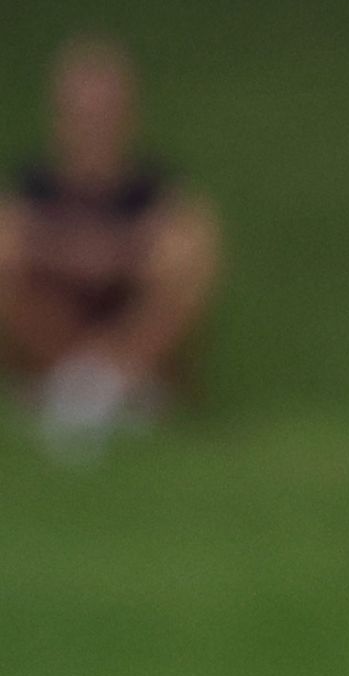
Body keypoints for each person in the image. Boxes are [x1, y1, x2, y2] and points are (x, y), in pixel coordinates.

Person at [0, 36, 221, 460]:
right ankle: (76, 387)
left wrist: (113, 255)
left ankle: (107, 387)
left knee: (185, 264)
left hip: (129, 327)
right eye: (82, 112)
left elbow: (185, 247)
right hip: (56, 328)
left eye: (104, 111)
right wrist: (77, 254)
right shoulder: (35, 186)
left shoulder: (152, 187)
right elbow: (14, 240)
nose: (93, 124)